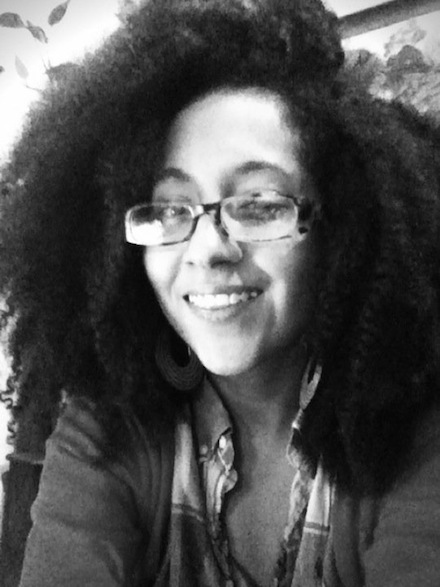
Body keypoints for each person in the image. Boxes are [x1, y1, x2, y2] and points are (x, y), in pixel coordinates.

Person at [1, 0, 440, 585]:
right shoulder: (109, 429)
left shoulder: (416, 435)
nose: (207, 249)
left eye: (258, 204)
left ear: (344, 226)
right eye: (168, 209)